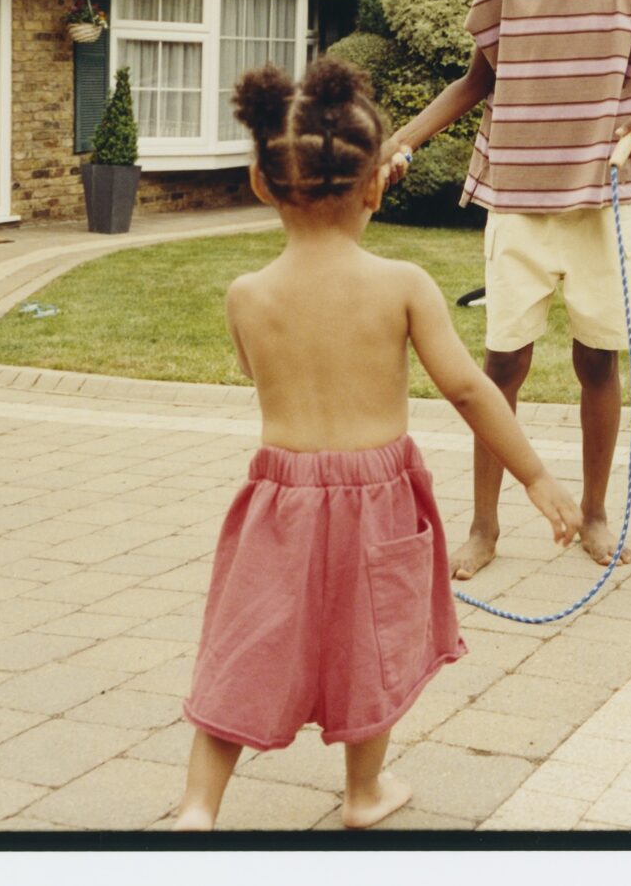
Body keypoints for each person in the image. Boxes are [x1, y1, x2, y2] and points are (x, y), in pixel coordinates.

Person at [174, 57, 584, 831]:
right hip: (380, 502)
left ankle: (198, 808)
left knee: (246, 641)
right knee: (375, 642)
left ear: (262, 185)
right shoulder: (403, 283)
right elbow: (470, 388)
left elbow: (255, 369)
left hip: (279, 501)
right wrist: (535, 477)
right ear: (374, 187)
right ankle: (363, 793)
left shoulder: (247, 295)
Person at [383, 0, 631, 580]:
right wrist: (402, 144)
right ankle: (484, 526)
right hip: (516, 204)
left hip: (604, 205)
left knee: (597, 362)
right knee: (500, 367)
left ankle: (592, 512)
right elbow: (473, 84)